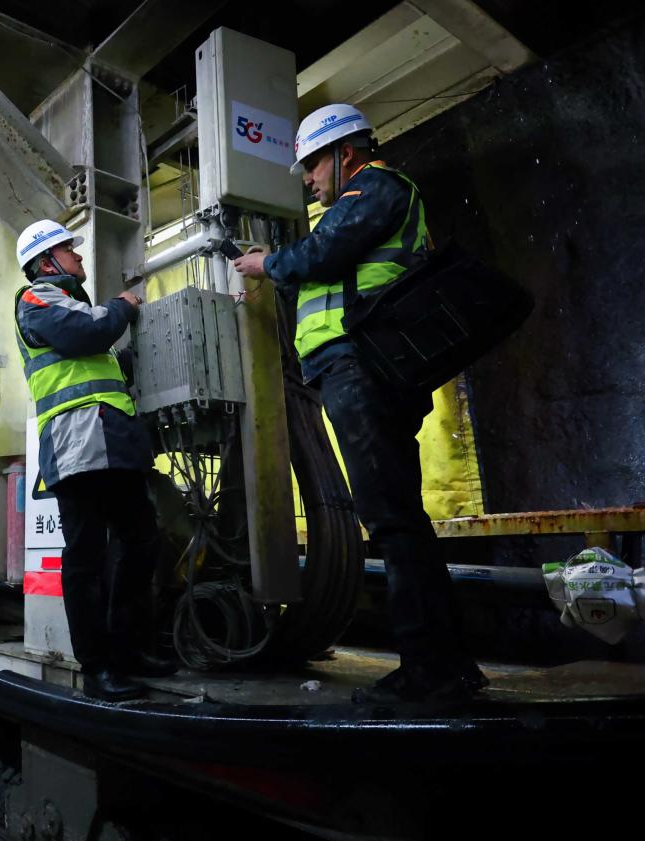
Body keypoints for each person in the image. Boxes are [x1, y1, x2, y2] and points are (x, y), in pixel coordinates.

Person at [232, 104, 487, 704]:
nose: (308, 179)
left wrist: (266, 263)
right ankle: (449, 666)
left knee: (391, 520)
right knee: (399, 517)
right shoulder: (365, 198)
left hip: (363, 366)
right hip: (365, 367)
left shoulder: (375, 188)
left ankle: (429, 673)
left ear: (344, 153)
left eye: (313, 165)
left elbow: (319, 256)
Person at [13, 219, 177, 703]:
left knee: (141, 541)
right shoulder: (36, 301)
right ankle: (97, 667)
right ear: (47, 263)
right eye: (70, 250)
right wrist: (122, 305)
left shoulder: (70, 303)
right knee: (86, 557)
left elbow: (96, 355)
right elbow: (88, 332)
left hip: (112, 439)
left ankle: (128, 650)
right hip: (75, 445)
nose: (79, 257)